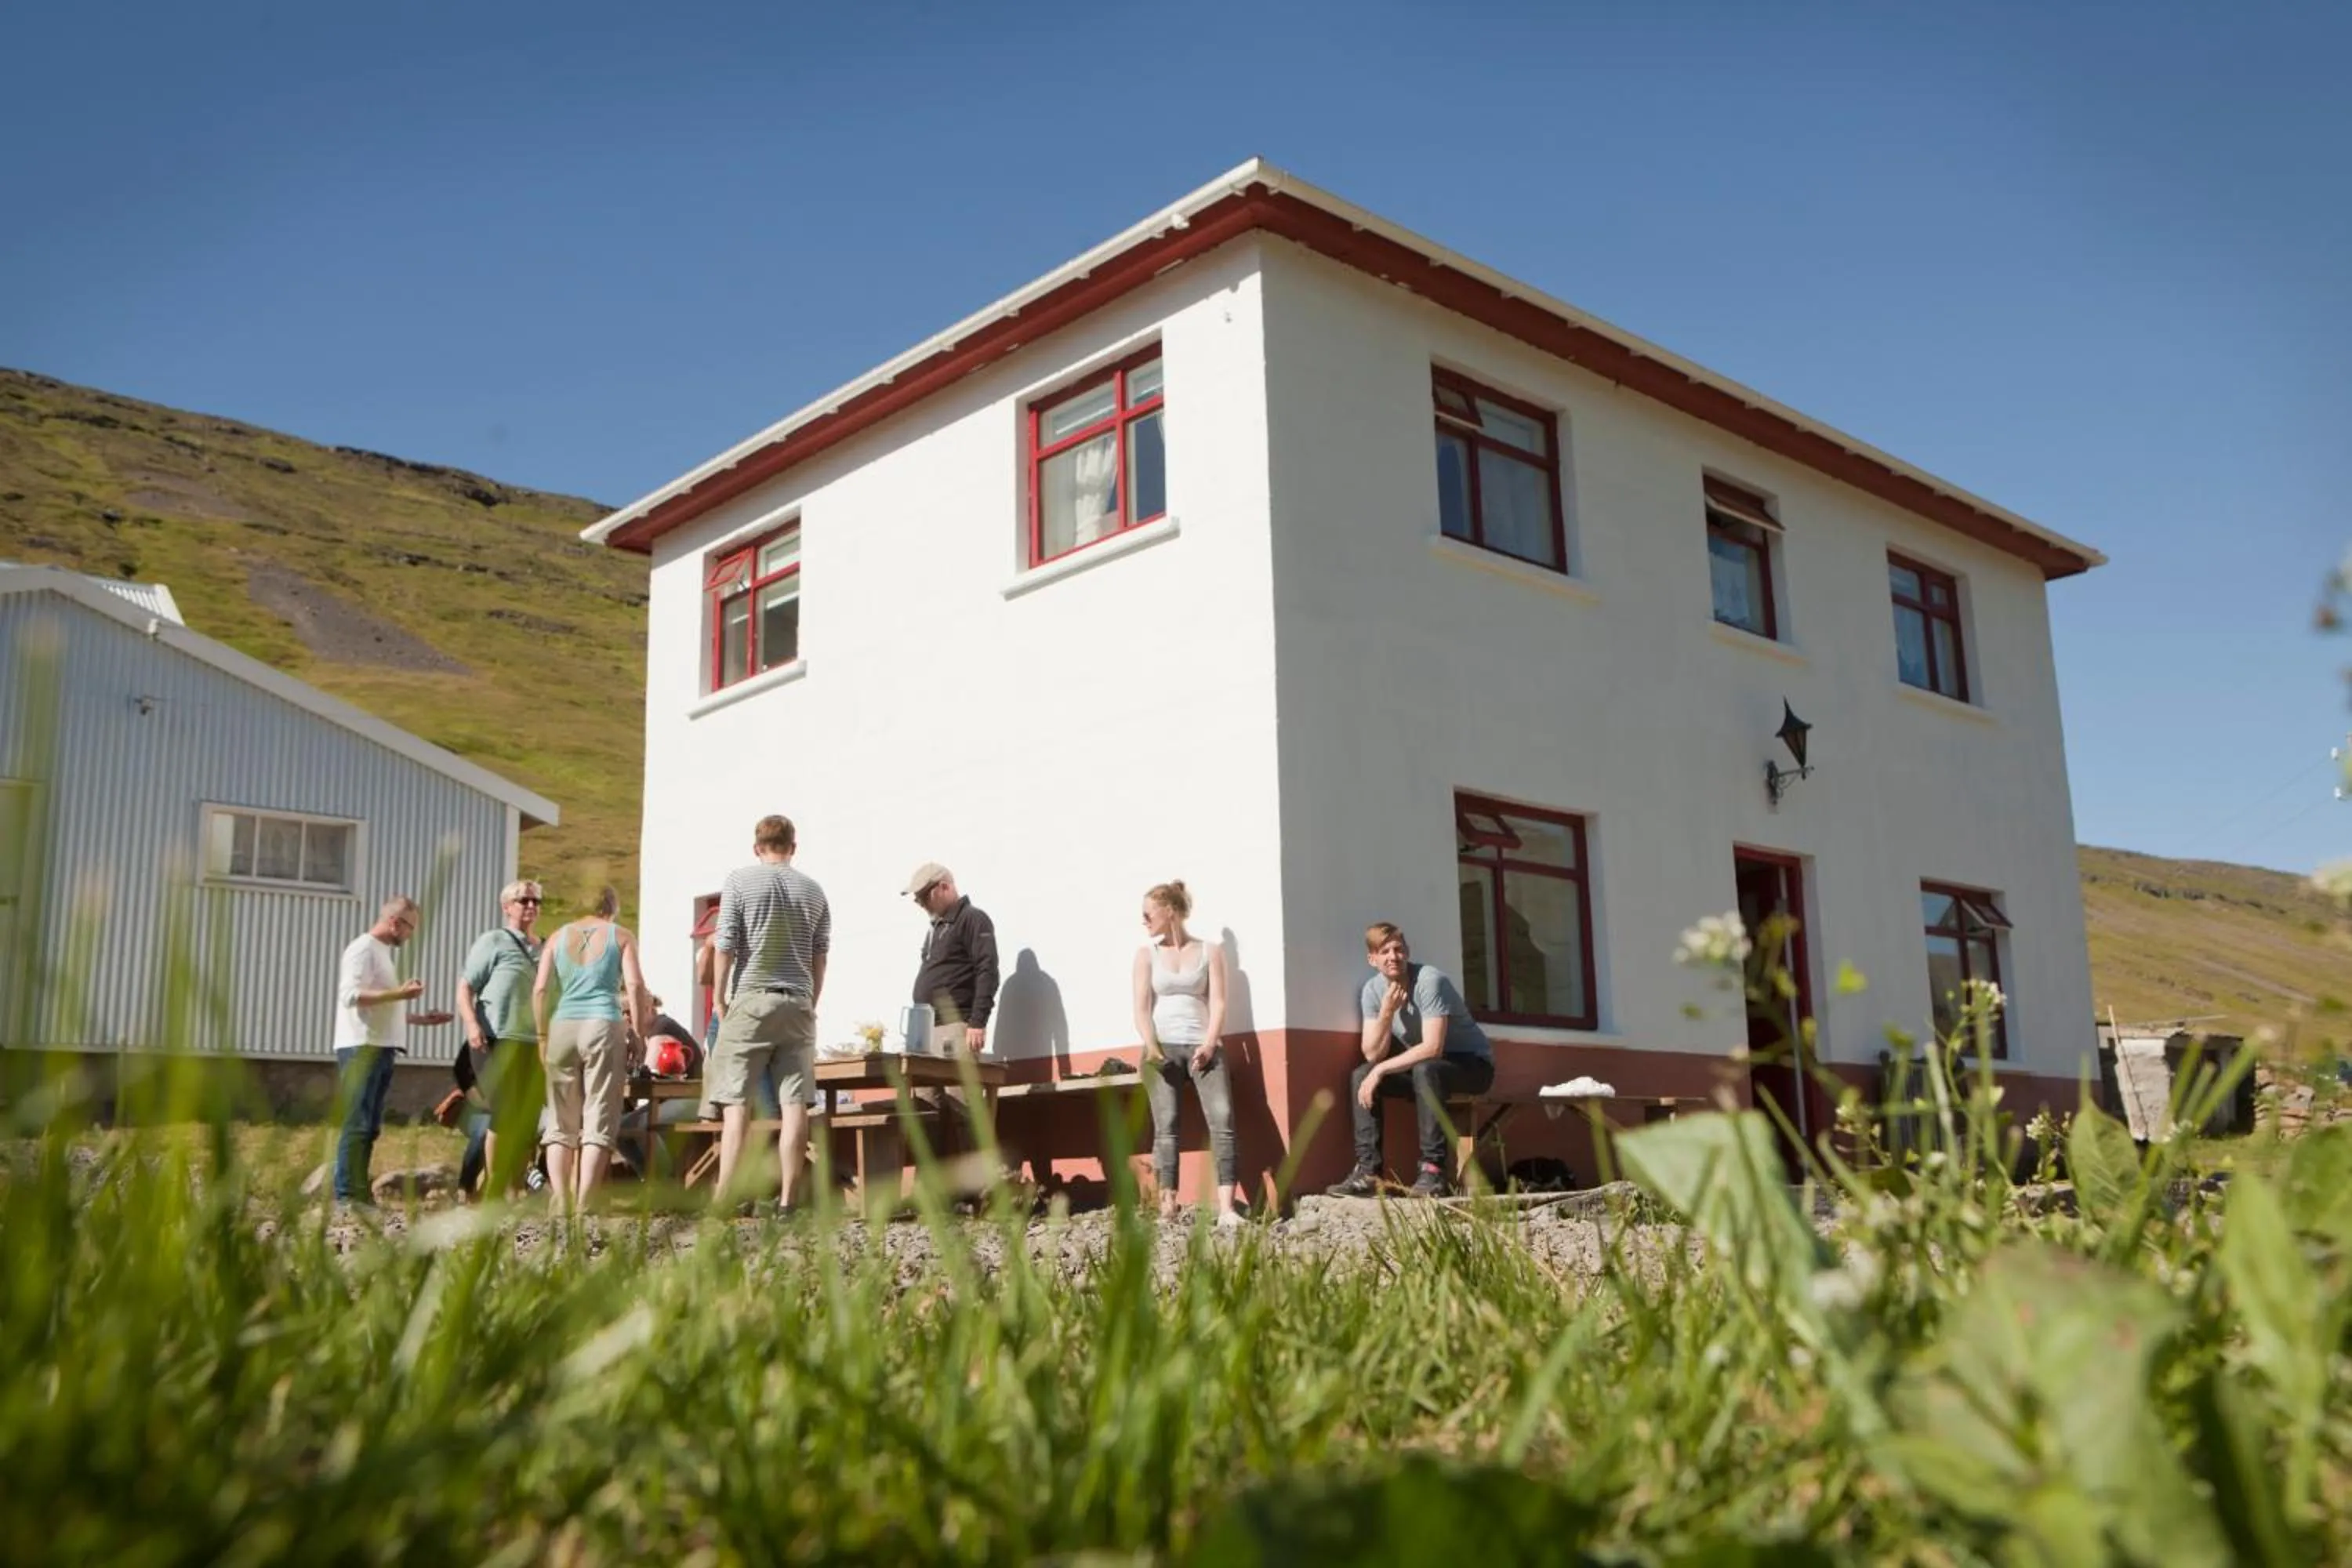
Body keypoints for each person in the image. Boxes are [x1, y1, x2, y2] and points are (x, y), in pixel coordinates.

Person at [710, 814, 830, 1208]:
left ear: (757, 847)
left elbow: (725, 942)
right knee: (795, 1104)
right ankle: (788, 1200)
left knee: (736, 1103)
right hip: (797, 1000)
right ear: (793, 847)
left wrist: (719, 997)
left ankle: (726, 1197)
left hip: (752, 997)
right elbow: (820, 955)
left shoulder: (739, 881)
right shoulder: (814, 892)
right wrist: (810, 1002)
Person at [1327, 922, 1495, 1199]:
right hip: (1423, 1069)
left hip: (1472, 1066)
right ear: (1372, 959)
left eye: (1398, 949)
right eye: (1385, 951)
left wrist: (1380, 1069)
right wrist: (1387, 1012)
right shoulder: (1373, 991)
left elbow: (1432, 1048)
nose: (1393, 956)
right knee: (1361, 1074)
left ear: (1407, 952)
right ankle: (1368, 1174)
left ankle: (1433, 1171)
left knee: (1425, 1069)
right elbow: (1372, 1053)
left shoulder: (1430, 981)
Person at [531, 885, 649, 1211]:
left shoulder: (556, 937)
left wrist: (542, 1036)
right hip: (602, 1024)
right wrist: (638, 1033)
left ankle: (561, 1198)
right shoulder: (621, 936)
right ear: (611, 907)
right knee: (599, 1114)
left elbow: (540, 989)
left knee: (560, 1121)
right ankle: (585, 1204)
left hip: (562, 1027)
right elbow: (636, 985)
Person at [332, 895, 452, 1205]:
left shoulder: (382, 953)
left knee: (370, 1126)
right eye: (410, 927)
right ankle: (346, 1194)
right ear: (395, 922)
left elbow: (382, 1006)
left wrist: (423, 1019)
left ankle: (359, 1191)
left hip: (382, 1047)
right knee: (357, 1123)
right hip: (362, 1047)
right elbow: (351, 996)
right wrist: (400, 993)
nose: (411, 935)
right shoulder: (363, 949)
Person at [1131, 880, 1240, 1225]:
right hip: (1161, 1049)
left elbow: (1219, 1001)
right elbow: (1141, 1009)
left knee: (1222, 1122)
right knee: (1167, 1127)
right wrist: (1151, 1047)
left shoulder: (1211, 951)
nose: (1144, 920)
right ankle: (1168, 1207)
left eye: (1148, 913)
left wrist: (1210, 1044)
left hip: (1203, 1046)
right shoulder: (1146, 955)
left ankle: (1227, 1209)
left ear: (1170, 911)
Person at [453, 879, 544, 1198]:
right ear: (507, 907)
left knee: (528, 1120)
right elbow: (465, 986)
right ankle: (494, 1187)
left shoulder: (545, 948)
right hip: (496, 1038)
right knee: (504, 1116)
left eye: (535, 901)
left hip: (534, 1044)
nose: (531, 906)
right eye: (523, 901)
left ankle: (516, 1187)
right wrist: (471, 1024)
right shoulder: (494, 941)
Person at [905, 862, 998, 1054]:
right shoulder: (936, 927)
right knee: (922, 1085)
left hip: (954, 1027)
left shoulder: (973, 919)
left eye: (924, 897)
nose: (921, 904)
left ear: (944, 887)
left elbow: (987, 970)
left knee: (957, 1084)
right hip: (925, 1029)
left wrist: (977, 1022)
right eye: (917, 899)